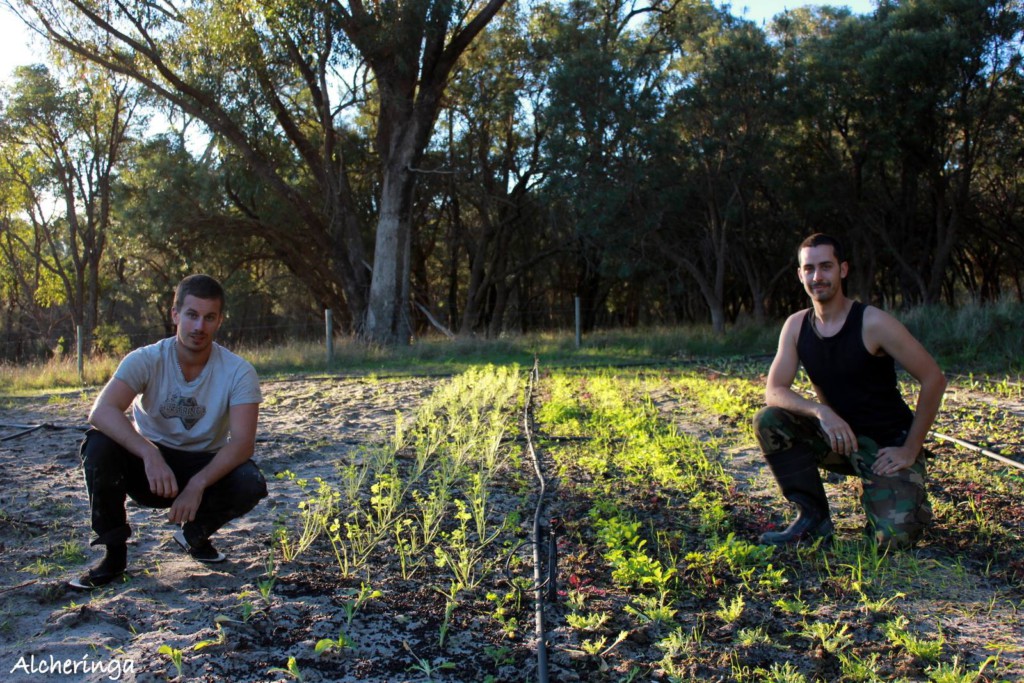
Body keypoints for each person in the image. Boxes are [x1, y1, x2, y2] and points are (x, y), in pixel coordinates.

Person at [70, 274, 267, 590]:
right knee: (98, 445)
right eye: (191, 315)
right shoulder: (146, 359)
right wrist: (149, 452)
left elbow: (243, 443)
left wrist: (198, 484)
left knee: (250, 481)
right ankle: (113, 554)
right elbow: (101, 412)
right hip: (149, 467)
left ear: (219, 321)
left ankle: (194, 534)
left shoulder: (239, 371)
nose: (199, 327)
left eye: (209, 317)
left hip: (202, 466)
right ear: (175, 314)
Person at [754, 233, 946, 549]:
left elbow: (934, 378)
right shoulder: (796, 326)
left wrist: (910, 448)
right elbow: (774, 390)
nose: (818, 277)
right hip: (839, 439)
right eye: (809, 269)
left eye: (826, 267)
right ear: (800, 274)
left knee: (891, 541)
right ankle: (812, 519)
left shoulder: (873, 323)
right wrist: (821, 411)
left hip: (886, 448)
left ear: (842, 270)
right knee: (770, 419)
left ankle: (906, 497)